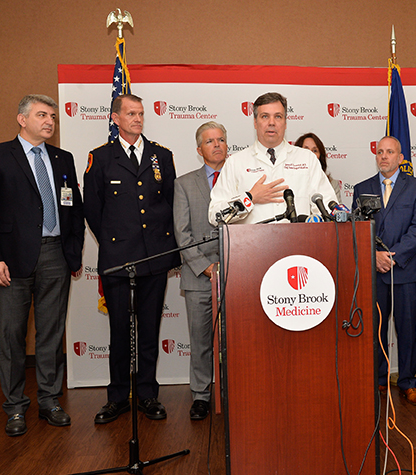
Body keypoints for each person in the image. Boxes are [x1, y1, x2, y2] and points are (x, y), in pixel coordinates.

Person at [0, 94, 85, 436]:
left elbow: (73, 209)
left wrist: (73, 253)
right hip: (9, 260)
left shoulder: (63, 158)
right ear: (22, 119)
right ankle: (16, 407)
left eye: (52, 116)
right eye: (41, 115)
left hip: (55, 256)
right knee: (12, 336)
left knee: (51, 334)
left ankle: (50, 400)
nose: (50, 121)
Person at [84, 93, 180, 424]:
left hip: (155, 257)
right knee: (120, 331)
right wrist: (118, 241)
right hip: (118, 259)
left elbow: (168, 205)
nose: (137, 119)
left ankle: (147, 394)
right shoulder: (100, 158)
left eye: (140, 113)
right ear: (115, 118)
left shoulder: (161, 156)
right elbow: (93, 211)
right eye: (130, 113)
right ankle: (117, 397)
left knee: (149, 330)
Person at [352, 136, 416, 406]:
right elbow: (357, 229)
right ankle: (378, 380)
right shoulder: (362, 188)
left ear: (401, 157)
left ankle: (408, 383)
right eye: (380, 152)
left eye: (390, 152)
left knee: (407, 329)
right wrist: (374, 256)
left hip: (406, 270)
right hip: (374, 271)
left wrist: (391, 257)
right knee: (376, 330)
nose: (384, 156)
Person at [208, 92, 337, 225]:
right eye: (265, 116)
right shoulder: (235, 162)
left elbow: (328, 209)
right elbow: (215, 215)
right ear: (255, 122)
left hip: (299, 244)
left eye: (278, 117)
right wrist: (250, 198)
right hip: (251, 245)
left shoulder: (307, 159)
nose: (271, 122)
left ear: (285, 123)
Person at [173, 121, 227, 420]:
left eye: (221, 139)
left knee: (238, 340)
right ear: (199, 149)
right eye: (210, 141)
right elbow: (182, 234)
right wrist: (206, 267)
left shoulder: (241, 178)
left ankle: (235, 391)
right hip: (199, 277)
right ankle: (201, 396)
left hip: (238, 275)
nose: (216, 145)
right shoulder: (183, 184)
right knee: (201, 341)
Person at [294, 132, 343, 203]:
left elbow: (337, 213)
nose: (310, 154)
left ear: (320, 156)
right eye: (306, 150)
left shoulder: (332, 184)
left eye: (315, 151)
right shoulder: (289, 181)